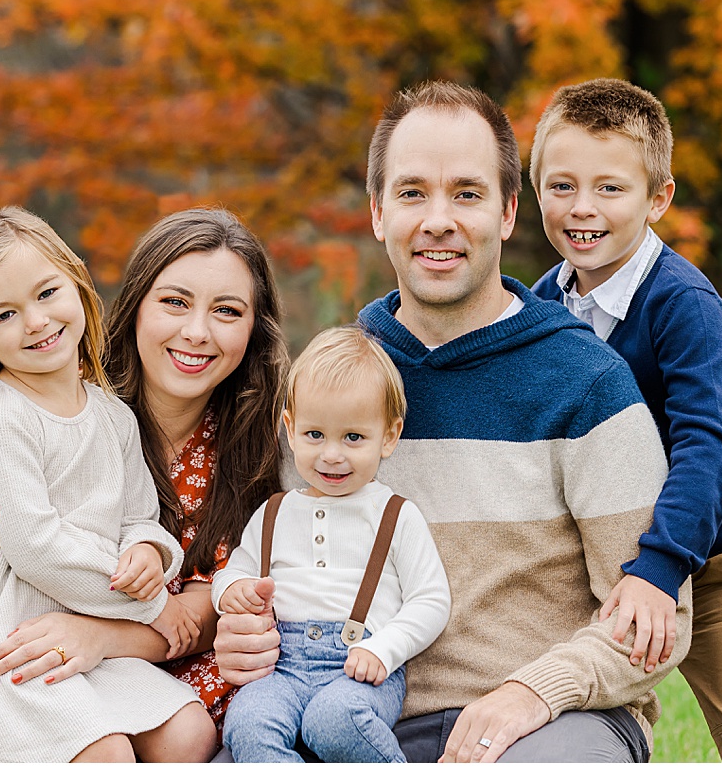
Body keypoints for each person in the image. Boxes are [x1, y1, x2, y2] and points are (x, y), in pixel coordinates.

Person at [214, 80, 693, 764]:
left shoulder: (587, 382)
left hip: (548, 720)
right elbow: (272, 567)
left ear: (506, 213)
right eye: (413, 193)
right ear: (379, 213)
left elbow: (657, 620)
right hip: (349, 710)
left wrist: (532, 692)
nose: (438, 219)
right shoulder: (332, 387)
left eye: (466, 194)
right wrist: (244, 632)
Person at [0, 207, 288, 762]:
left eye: (227, 311)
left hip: (134, 643)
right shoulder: (21, 388)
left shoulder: (243, 440)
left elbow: (199, 606)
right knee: (102, 748)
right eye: (174, 302)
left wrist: (125, 590)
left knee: (194, 731)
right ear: (134, 305)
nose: (196, 331)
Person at [527, 77, 722, 763]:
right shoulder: (542, 307)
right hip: (612, 561)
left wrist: (659, 571)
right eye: (561, 186)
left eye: (610, 189)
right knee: (562, 713)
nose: (582, 208)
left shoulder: (683, 304)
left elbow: (711, 449)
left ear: (658, 199)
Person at [213, 325, 450, 762]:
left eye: (353, 438)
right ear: (290, 427)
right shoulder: (275, 512)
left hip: (358, 668)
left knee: (333, 721)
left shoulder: (395, 515)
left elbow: (431, 600)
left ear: (389, 436)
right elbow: (235, 569)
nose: (332, 454)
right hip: (279, 668)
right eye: (315, 435)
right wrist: (233, 590)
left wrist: (384, 649)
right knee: (246, 721)